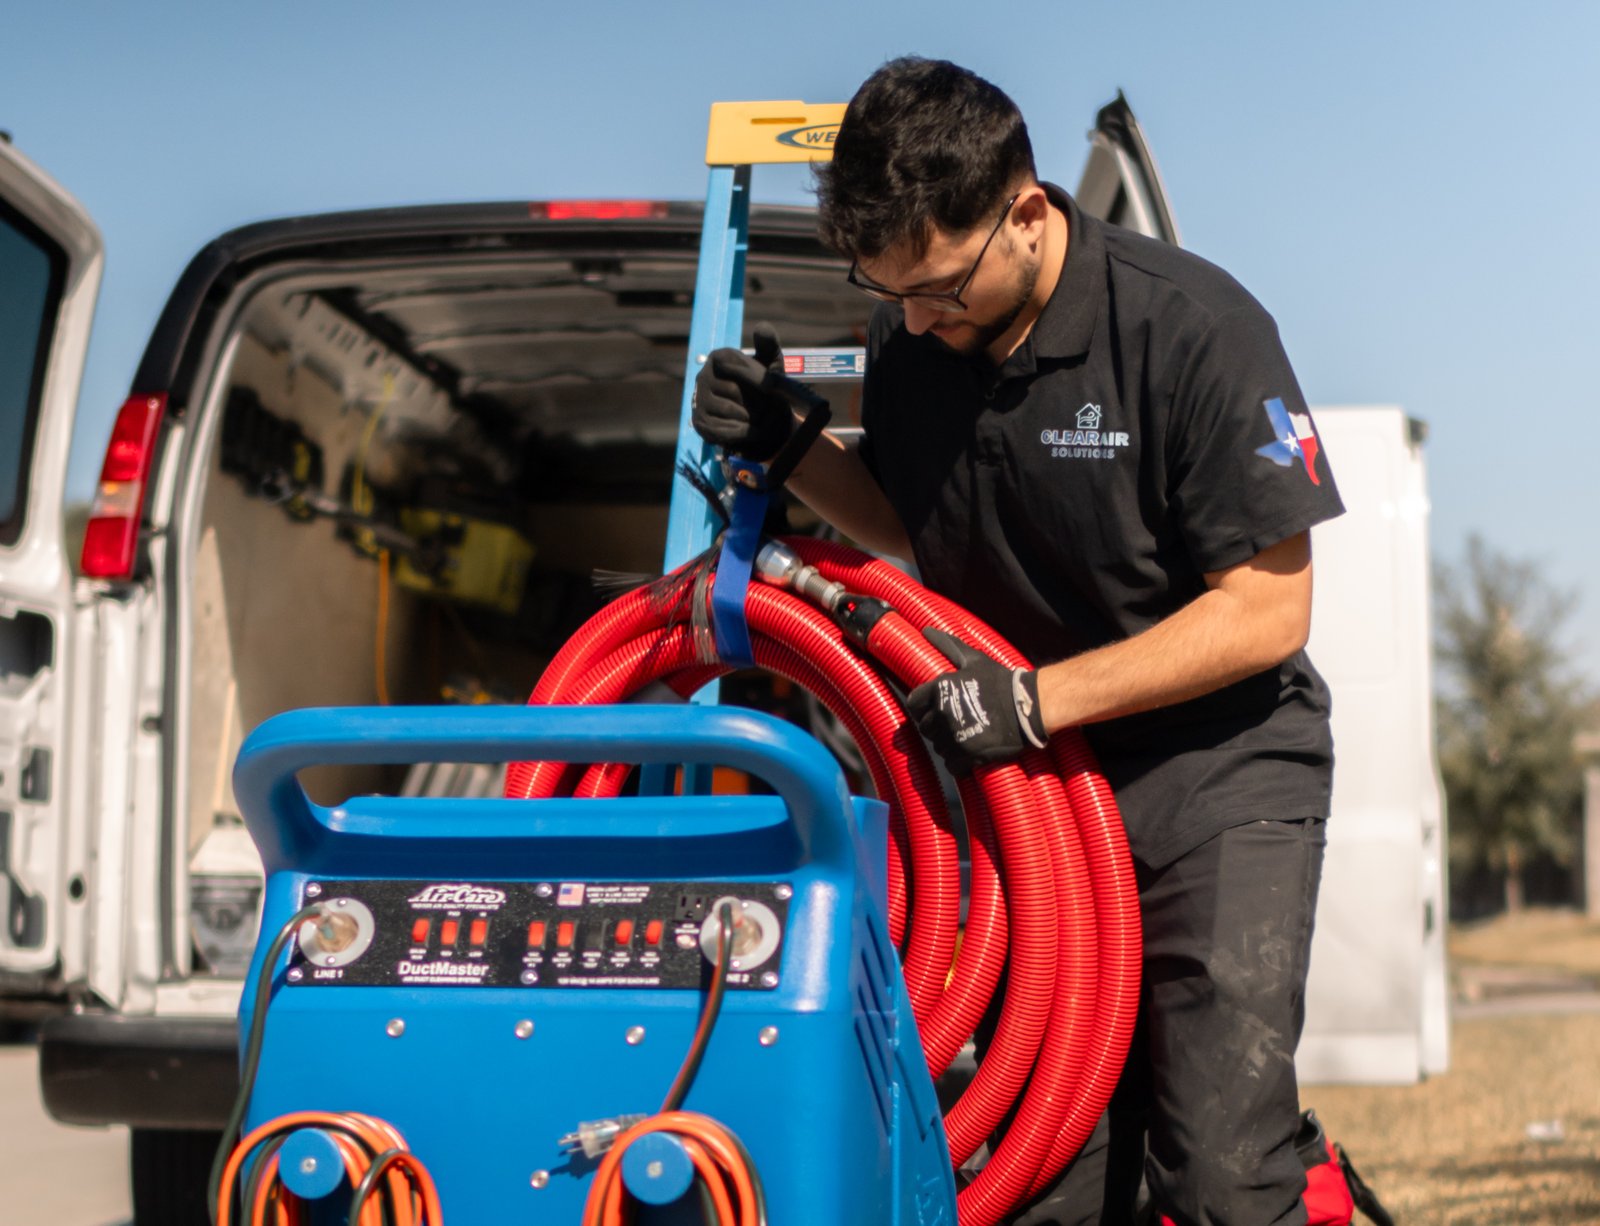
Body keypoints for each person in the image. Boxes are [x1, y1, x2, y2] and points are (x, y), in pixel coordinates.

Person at [692, 57, 1345, 1225]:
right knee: (1044, 1163)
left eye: (938, 286)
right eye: (886, 290)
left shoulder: (1191, 328)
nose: (912, 319)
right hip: (1033, 787)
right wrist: (796, 453)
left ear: (1027, 213)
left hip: (1212, 775)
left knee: (1217, 1169)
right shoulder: (918, 342)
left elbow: (1267, 607)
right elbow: (914, 523)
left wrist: (1039, 696)